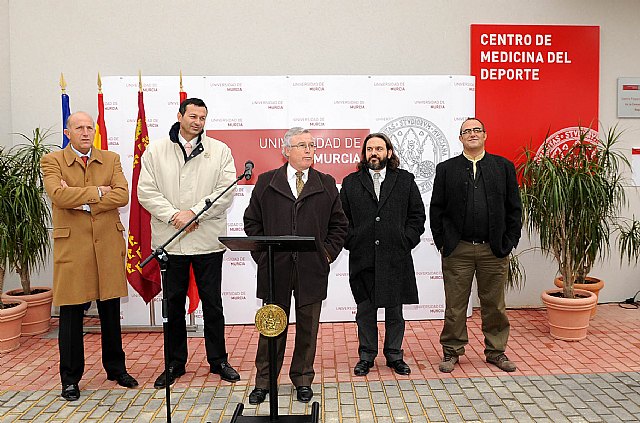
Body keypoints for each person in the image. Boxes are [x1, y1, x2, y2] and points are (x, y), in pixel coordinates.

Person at [137, 98, 240, 388]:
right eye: (193, 116)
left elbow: (226, 192)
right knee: (172, 305)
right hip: (171, 242)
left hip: (206, 239)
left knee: (213, 304)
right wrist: (175, 217)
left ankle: (218, 360)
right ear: (180, 115)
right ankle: (174, 363)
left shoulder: (220, 151)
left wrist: (194, 213)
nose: (197, 122)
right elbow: (146, 191)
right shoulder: (156, 150)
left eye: (203, 118)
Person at [243, 127, 347, 404]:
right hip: (275, 270)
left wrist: (326, 253)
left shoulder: (325, 183)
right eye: (302, 145)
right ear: (286, 150)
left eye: (312, 145)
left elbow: (339, 225)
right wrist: (264, 255)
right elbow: (252, 222)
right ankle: (264, 382)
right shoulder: (266, 182)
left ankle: (302, 379)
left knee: (308, 329)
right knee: (271, 327)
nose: (309, 150)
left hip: (311, 269)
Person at [41, 111, 138, 401]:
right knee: (70, 315)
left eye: (89, 127)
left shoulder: (110, 159)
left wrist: (81, 199)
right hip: (73, 248)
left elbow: (122, 195)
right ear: (67, 132)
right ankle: (70, 378)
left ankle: (116, 368)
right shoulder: (52, 161)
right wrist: (97, 191)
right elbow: (58, 196)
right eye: (78, 128)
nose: (85, 132)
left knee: (110, 311)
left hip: (107, 244)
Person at [430, 117, 522, 373]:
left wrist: (509, 242)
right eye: (466, 131)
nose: (472, 134)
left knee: (494, 304)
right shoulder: (446, 169)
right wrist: (443, 242)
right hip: (457, 250)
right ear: (460, 138)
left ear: (485, 135)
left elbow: (514, 209)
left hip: (493, 250)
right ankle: (451, 352)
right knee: (455, 305)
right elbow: (436, 209)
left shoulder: (502, 167)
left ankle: (496, 351)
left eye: (476, 130)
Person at [340, 133, 426, 377]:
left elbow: (417, 216)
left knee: (394, 311)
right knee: (365, 310)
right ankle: (366, 356)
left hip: (395, 256)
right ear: (364, 154)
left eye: (379, 148)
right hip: (363, 256)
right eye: (369, 149)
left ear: (389, 152)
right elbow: (341, 218)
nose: (373, 153)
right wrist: (352, 241)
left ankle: (394, 355)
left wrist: (405, 239)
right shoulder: (351, 182)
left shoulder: (405, 180)